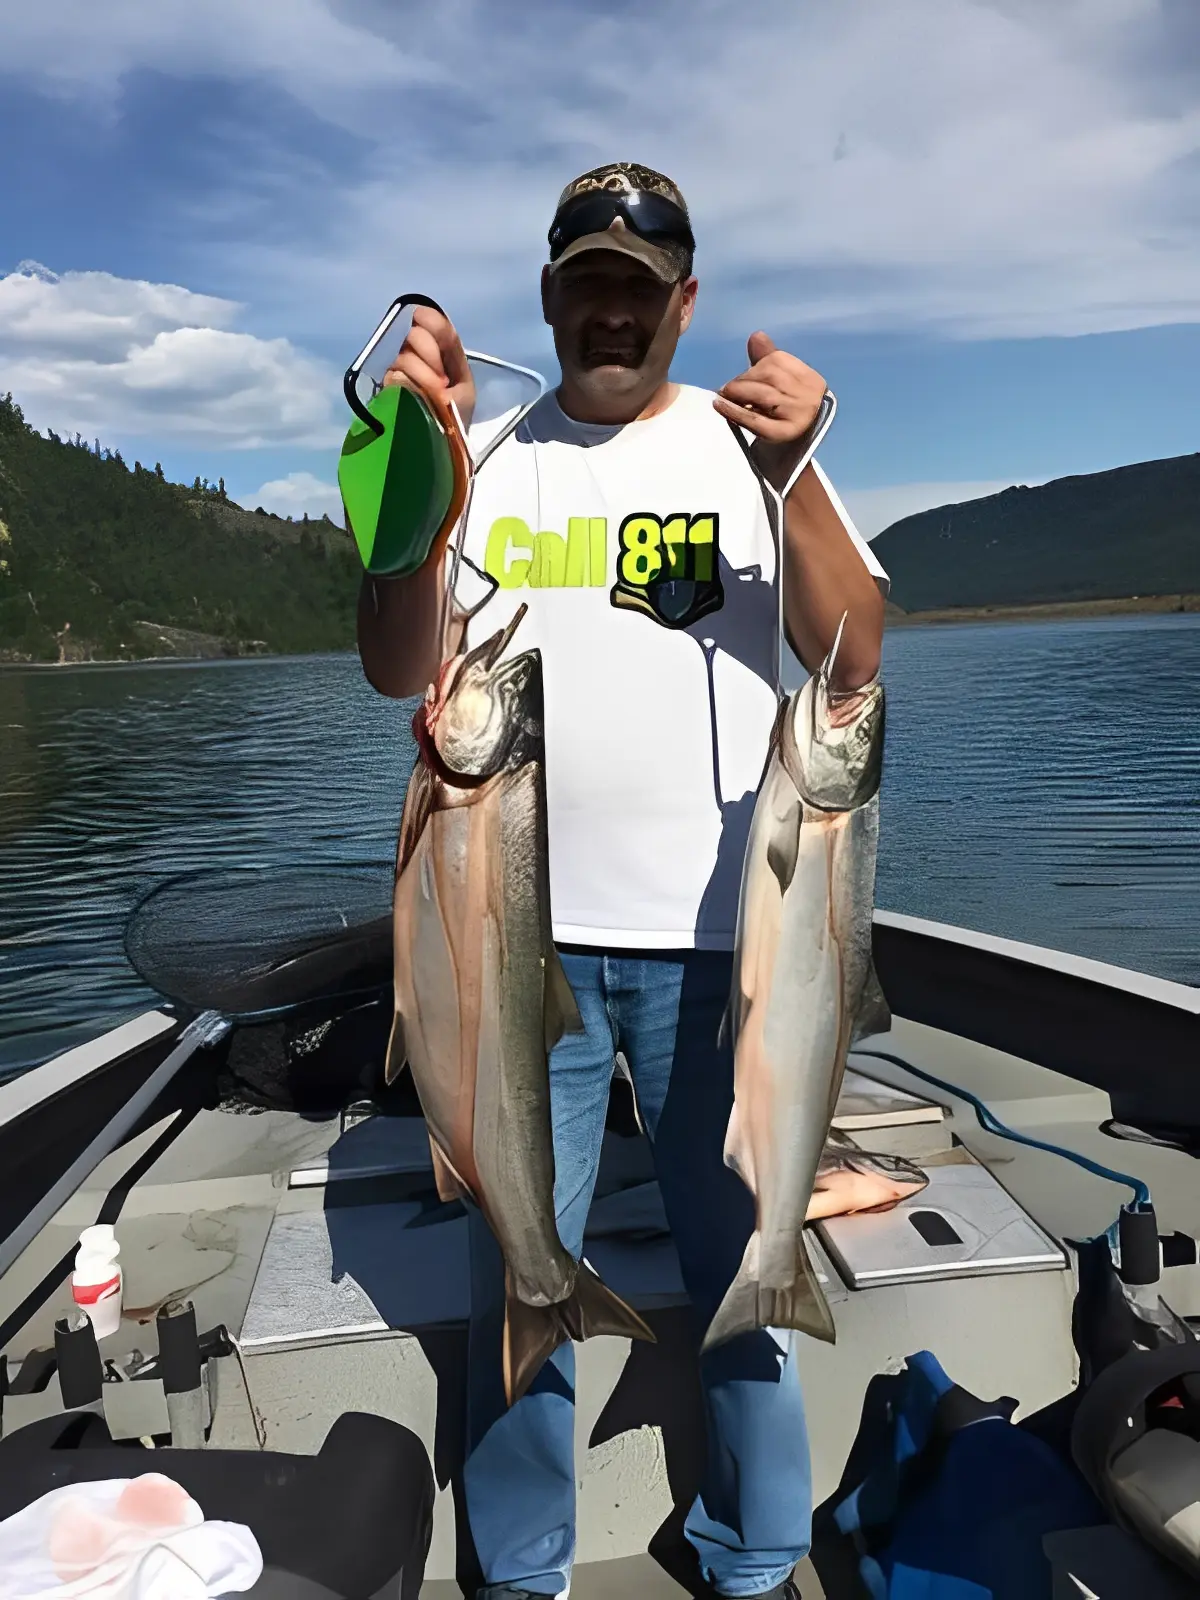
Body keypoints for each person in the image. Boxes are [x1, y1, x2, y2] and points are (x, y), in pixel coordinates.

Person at [357, 162, 888, 1600]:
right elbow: (399, 664)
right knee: (518, 1269)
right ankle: (522, 1569)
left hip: (730, 948)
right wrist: (423, 463)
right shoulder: (495, 460)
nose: (610, 315)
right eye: (586, 287)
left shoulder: (742, 452)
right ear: (549, 296)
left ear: (683, 305)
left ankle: (755, 1551)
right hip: (515, 955)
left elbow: (856, 655)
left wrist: (797, 467)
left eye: (638, 294)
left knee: (748, 1272)